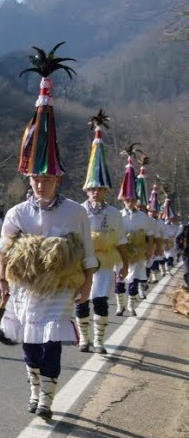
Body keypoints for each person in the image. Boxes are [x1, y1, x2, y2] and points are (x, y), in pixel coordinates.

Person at [0, 42, 96, 423]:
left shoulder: (75, 214)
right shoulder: (17, 213)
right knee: (30, 346)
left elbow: (87, 252)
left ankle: (48, 398)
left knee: (51, 343)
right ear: (30, 179)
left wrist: (86, 284)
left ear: (58, 177)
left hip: (58, 291)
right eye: (36, 178)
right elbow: (4, 248)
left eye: (47, 178)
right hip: (25, 290)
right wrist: (2, 278)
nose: (41, 183)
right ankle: (34, 388)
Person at [74, 110, 127, 354]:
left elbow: (122, 241)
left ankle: (99, 340)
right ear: (87, 190)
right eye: (92, 189)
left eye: (100, 189)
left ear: (106, 190)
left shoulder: (114, 214)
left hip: (104, 265)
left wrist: (124, 265)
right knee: (81, 300)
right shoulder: (77, 211)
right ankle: (83, 339)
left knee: (101, 302)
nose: (96, 192)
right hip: (81, 264)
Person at [115, 153, 153, 316]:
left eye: (131, 199)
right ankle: (119, 305)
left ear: (135, 200)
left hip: (137, 253)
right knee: (119, 279)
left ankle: (131, 305)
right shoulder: (117, 215)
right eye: (126, 199)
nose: (129, 202)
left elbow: (150, 235)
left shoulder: (143, 217)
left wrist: (149, 250)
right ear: (123, 199)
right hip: (120, 252)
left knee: (133, 280)